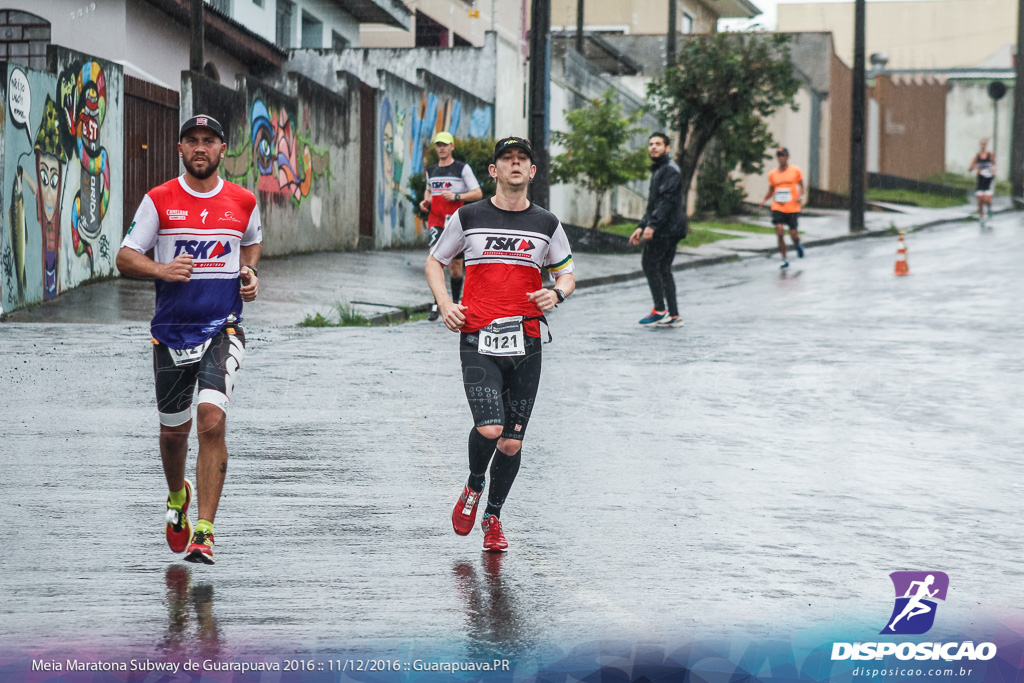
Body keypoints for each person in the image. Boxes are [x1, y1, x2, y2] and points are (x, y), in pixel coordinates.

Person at [116, 114, 262, 565]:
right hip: (170, 334)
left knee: (211, 419)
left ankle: (205, 530)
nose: (201, 148)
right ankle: (177, 495)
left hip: (223, 327)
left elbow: (251, 242)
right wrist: (162, 270)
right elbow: (124, 256)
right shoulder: (159, 200)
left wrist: (250, 271)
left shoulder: (243, 200)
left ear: (222, 150)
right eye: (192, 141)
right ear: (181, 149)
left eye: (210, 141)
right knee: (172, 435)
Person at [425, 136, 576, 553]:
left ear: (531, 172)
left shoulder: (547, 224)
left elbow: (567, 275)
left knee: (511, 441)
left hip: (527, 342)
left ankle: (493, 517)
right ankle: (474, 485)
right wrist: (445, 303)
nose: (514, 164)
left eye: (522, 159)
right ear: (493, 171)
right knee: (490, 428)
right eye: (506, 158)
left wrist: (557, 294)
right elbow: (435, 261)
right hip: (478, 336)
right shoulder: (469, 215)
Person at [419, 131, 483, 321]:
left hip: (455, 223)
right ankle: (436, 304)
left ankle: (454, 302)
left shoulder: (462, 169)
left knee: (456, 268)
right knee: (435, 259)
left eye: (445, 145)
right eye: (439, 145)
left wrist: (457, 197)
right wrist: (426, 201)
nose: (441, 148)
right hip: (436, 221)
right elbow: (428, 190)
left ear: (452, 147)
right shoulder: (431, 170)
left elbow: (478, 193)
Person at [630, 132, 687, 327]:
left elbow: (666, 202)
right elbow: (653, 204)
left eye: (658, 144)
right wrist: (641, 226)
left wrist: (652, 225)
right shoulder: (661, 169)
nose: (653, 147)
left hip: (666, 228)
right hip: (669, 227)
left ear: (667, 148)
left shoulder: (669, 170)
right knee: (663, 268)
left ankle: (660, 309)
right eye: (651, 144)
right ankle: (674, 314)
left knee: (649, 263)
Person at [760, 147, 805, 269]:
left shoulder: (795, 171)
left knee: (793, 234)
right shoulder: (772, 174)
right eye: (779, 155)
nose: (781, 158)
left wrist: (800, 196)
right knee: (779, 231)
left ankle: (797, 244)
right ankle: (784, 259)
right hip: (778, 207)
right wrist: (764, 200)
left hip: (792, 208)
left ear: (787, 157)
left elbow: (801, 186)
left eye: (783, 155)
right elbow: (771, 190)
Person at [968, 139, 996, 222]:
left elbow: (995, 165)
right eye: (981, 144)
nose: (983, 146)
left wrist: (992, 171)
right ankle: (981, 217)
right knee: (980, 200)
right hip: (980, 179)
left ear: (986, 145)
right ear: (980, 145)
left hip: (989, 180)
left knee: (986, 200)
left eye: (984, 144)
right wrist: (975, 167)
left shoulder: (990, 155)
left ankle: (989, 208)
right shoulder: (977, 156)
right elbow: (970, 168)